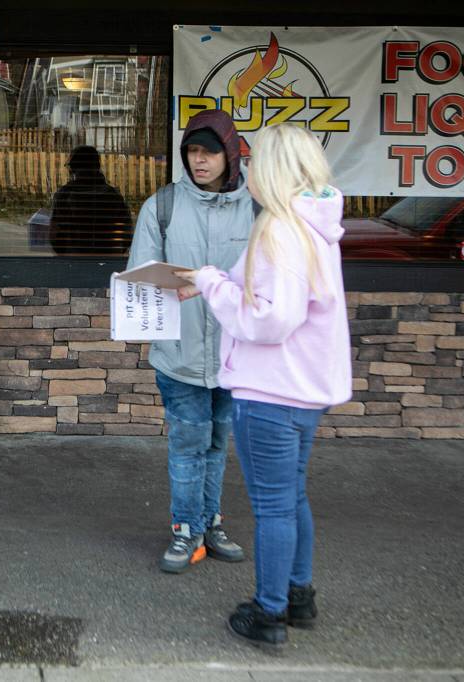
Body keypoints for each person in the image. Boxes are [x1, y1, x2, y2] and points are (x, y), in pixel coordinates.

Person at [174, 123, 352, 652]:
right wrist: (210, 282)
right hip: (304, 391)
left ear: (271, 170)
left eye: (253, 164)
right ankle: (298, 595)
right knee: (291, 497)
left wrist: (209, 283)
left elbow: (269, 320)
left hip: (271, 390)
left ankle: (269, 612)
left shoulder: (279, 229)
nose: (246, 172)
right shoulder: (314, 225)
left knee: (273, 507)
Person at [127, 109, 253, 574]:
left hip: (233, 354)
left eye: (209, 152)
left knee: (218, 443)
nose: (199, 161)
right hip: (179, 355)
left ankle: (209, 522)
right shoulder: (161, 206)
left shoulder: (254, 208)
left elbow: (265, 278)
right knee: (187, 444)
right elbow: (141, 278)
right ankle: (185, 530)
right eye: (192, 152)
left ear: (230, 154)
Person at [49, 145, 133, 255]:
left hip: (73, 262)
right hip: (108, 262)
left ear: (73, 168)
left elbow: (55, 237)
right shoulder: (113, 196)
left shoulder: (65, 195)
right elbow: (126, 235)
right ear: (97, 167)